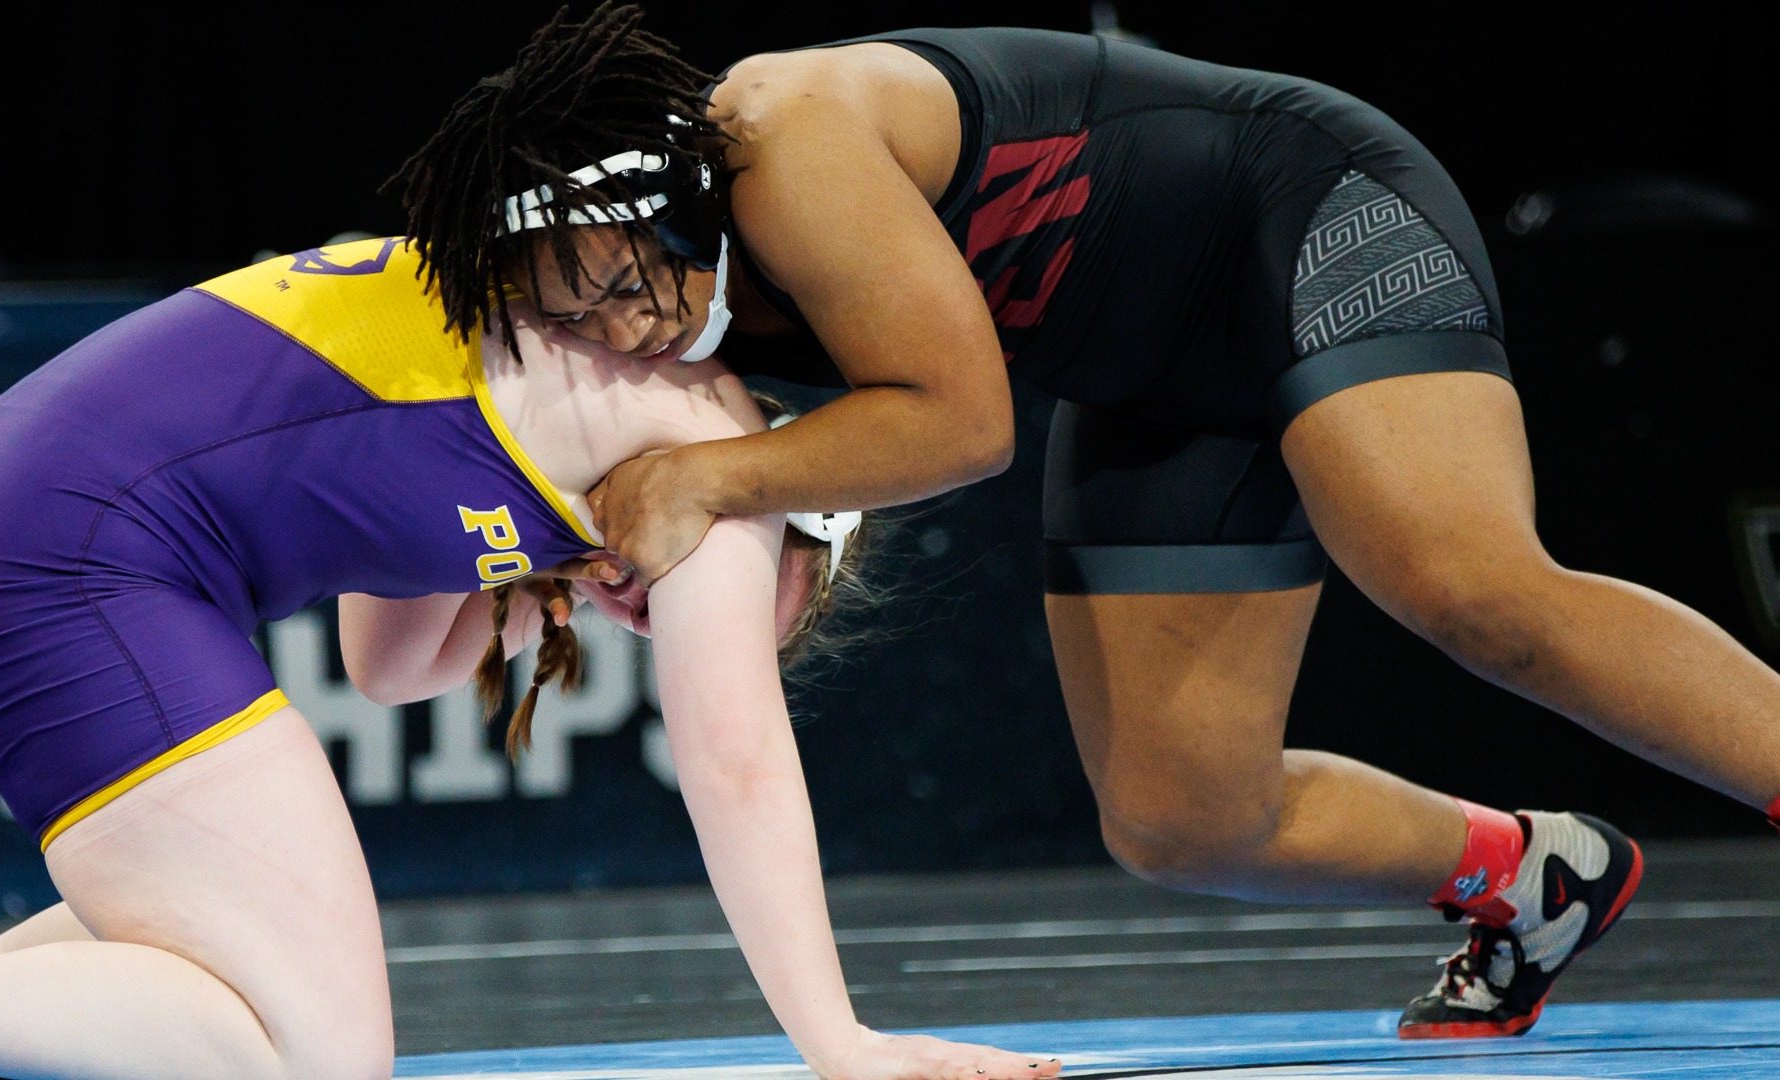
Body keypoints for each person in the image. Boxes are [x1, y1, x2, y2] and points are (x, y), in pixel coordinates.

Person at [386, 2, 1780, 1039]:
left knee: (1465, 586)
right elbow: (798, 548)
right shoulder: (670, 323)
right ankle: (1534, 872)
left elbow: (962, 426)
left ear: (647, 194)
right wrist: (667, 561)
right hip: (1148, 374)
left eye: (621, 280)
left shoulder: (780, 137)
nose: (628, 327)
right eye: (573, 316)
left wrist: (701, 483)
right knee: (1180, 815)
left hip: (1303, 215)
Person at [0, 236, 1063, 1080]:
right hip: (69, 551)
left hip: (0, 521)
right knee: (323, 1051)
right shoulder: (718, 455)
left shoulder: (569, 392)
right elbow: (737, 759)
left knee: (220, 975)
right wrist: (839, 1044)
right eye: (750, 618)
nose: (656, 623)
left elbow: (386, 665)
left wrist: (538, 564)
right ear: (812, 524)